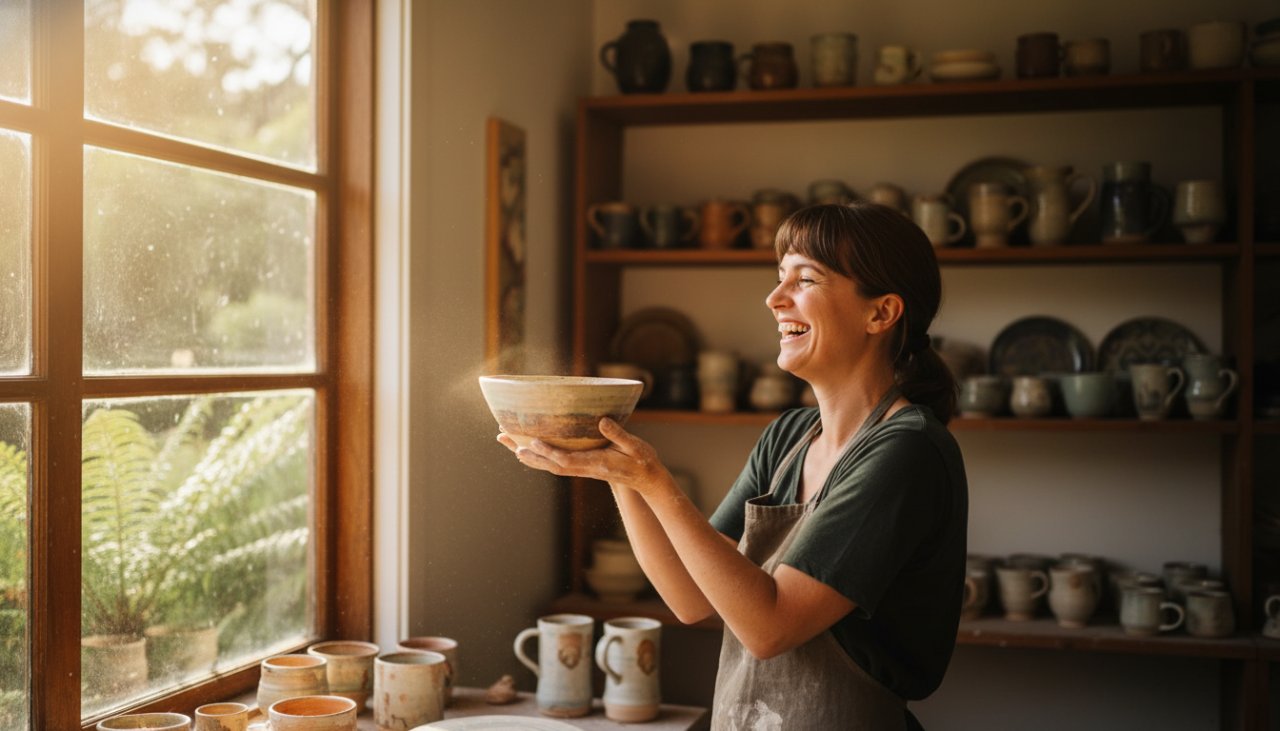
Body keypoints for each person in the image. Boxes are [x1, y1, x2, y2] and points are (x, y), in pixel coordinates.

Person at [498, 203, 968, 730]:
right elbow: (690, 598)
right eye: (778, 277)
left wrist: (655, 479)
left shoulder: (906, 450)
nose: (774, 299)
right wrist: (620, 476)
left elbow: (769, 627)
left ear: (880, 313)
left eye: (805, 278)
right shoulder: (787, 438)